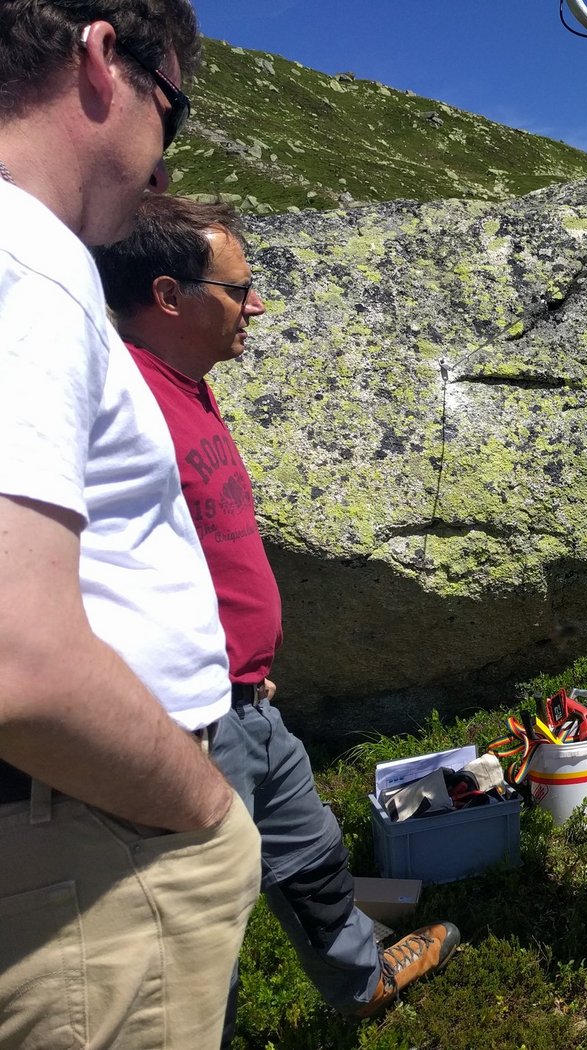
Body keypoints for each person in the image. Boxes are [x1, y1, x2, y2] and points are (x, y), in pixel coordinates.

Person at [92, 195, 462, 1037]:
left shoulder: (190, 388)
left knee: (311, 856)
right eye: (239, 287)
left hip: (252, 701)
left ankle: (364, 981)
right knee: (197, 916)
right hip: (184, 723)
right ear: (169, 295)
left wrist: (250, 655)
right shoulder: (124, 401)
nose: (255, 305)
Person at [0, 3, 261, 1046]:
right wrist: (204, 816)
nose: (160, 165)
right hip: (90, 836)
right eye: (175, 112)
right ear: (104, 61)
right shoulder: (32, 261)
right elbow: (18, 655)